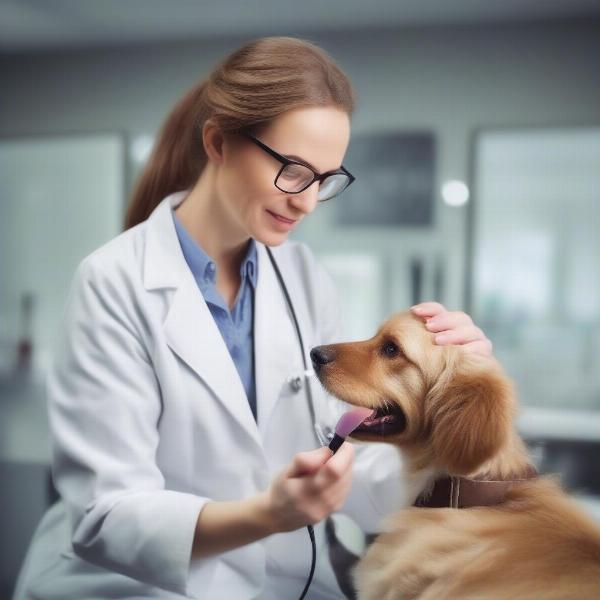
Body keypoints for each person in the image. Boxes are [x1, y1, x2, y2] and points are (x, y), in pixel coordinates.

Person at [13, 37, 492, 600]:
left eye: (325, 178)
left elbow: (340, 461)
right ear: (218, 142)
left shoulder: (304, 276)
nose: (307, 201)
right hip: (134, 588)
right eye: (293, 170)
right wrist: (266, 514)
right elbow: (105, 517)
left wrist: (458, 402)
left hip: (285, 582)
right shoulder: (114, 282)